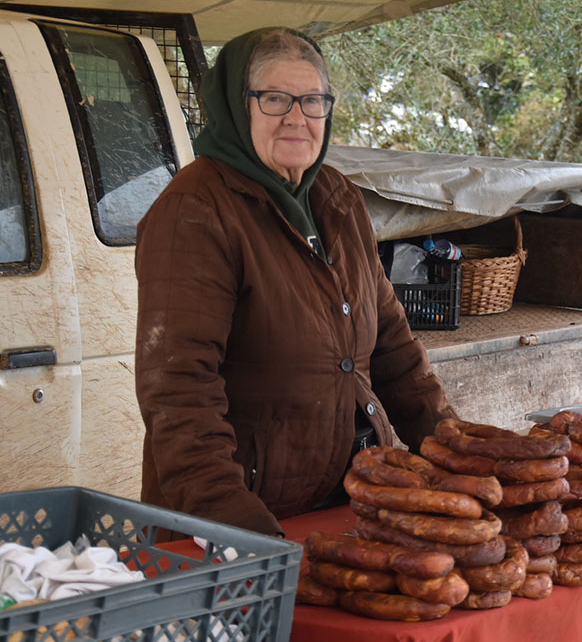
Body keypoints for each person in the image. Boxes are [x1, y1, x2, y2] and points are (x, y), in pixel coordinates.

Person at [134, 28, 456, 535]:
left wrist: (459, 450)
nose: (296, 118)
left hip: (350, 501)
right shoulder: (195, 210)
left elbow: (395, 349)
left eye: (312, 101)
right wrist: (232, 521)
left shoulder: (337, 198)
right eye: (275, 99)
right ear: (237, 108)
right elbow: (179, 390)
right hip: (244, 520)